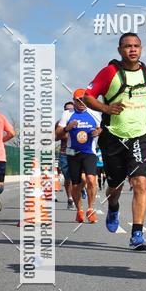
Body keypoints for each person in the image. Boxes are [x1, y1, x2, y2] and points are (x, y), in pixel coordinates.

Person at [83, 33, 146, 250]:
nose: (132, 50)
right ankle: (113, 205)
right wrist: (106, 108)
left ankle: (137, 233)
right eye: (127, 46)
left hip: (140, 135)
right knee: (115, 185)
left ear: (141, 48)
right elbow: (87, 96)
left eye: (136, 46)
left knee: (140, 182)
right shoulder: (110, 72)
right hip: (113, 136)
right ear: (120, 50)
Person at [55, 89, 101, 223]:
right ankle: (79, 210)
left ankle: (91, 209)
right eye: (78, 100)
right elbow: (57, 135)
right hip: (72, 153)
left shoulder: (94, 113)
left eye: (83, 99)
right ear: (74, 101)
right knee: (75, 185)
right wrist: (67, 128)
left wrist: (97, 131)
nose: (81, 102)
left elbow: (102, 128)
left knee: (91, 180)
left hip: (89, 152)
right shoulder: (67, 114)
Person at [55, 101, 75, 208]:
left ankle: (81, 190)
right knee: (68, 178)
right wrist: (65, 131)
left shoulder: (79, 120)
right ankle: (70, 199)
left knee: (81, 178)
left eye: (71, 109)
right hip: (64, 153)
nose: (69, 111)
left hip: (78, 152)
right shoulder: (59, 123)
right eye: (67, 109)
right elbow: (55, 137)